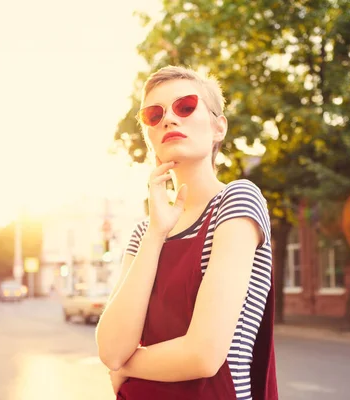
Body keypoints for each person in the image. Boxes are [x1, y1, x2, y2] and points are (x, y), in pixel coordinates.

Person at [96, 66, 278, 400]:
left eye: (185, 106)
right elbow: (110, 348)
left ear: (218, 125)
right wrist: (156, 233)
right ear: (149, 135)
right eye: (154, 114)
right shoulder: (144, 232)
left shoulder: (237, 200)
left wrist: (125, 367)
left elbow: (203, 356)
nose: (168, 119)